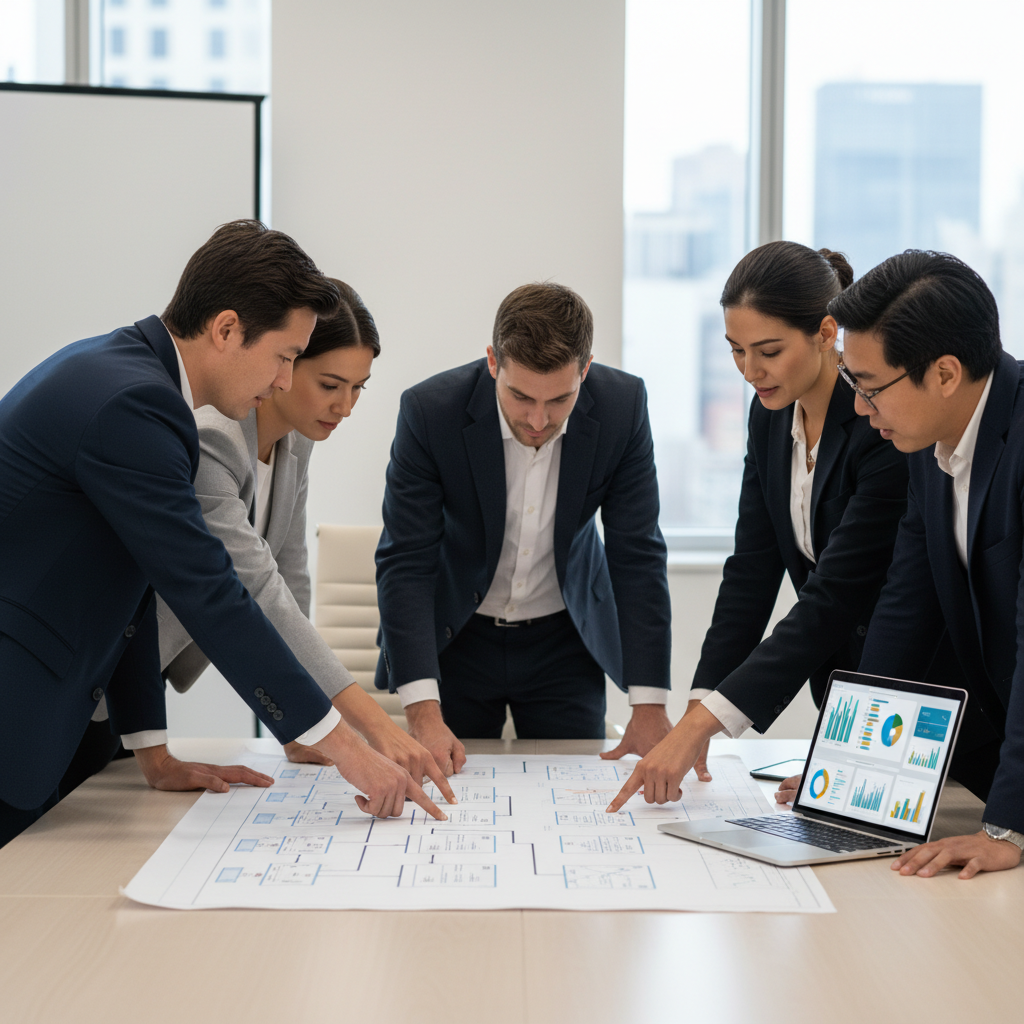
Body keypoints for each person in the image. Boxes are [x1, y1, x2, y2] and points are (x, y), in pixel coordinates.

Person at [0, 221, 445, 847]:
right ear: (227, 329)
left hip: (56, 704)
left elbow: (135, 592)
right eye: (286, 357)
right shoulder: (135, 405)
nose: (286, 381)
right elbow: (209, 591)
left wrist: (150, 748)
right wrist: (344, 743)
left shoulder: (133, 382)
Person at [607, 241, 909, 812]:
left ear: (826, 332)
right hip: (842, 689)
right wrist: (701, 703)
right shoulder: (769, 416)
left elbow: (835, 597)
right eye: (736, 351)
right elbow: (751, 569)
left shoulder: (881, 425)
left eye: (768, 351)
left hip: (908, 684)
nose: (749, 371)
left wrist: (703, 725)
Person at [375, 282, 673, 772]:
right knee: (452, 803)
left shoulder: (622, 408)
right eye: (519, 396)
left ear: (586, 370)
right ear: (493, 362)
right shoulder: (431, 412)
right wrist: (422, 712)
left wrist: (649, 703)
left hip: (565, 641)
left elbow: (637, 554)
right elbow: (406, 560)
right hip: (457, 638)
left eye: (560, 399)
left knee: (573, 791)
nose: (538, 419)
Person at [796, 250, 1021, 879]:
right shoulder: (928, 439)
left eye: (870, 389)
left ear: (945, 373)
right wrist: (847, 771)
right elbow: (907, 605)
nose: (862, 412)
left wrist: (1008, 826)